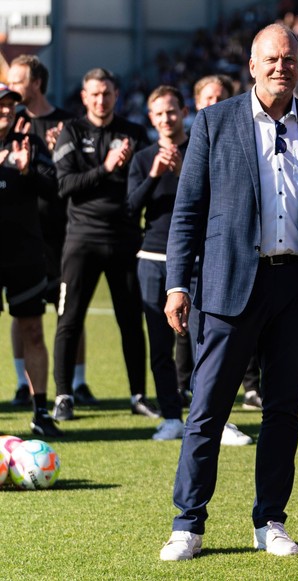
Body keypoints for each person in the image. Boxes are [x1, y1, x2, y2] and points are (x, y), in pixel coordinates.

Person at [158, 23, 298, 561]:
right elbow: (187, 211)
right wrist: (175, 285)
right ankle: (188, 523)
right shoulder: (214, 122)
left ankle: (271, 521)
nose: (281, 67)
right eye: (271, 59)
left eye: (290, 59)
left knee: (283, 412)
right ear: (253, 65)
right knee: (208, 410)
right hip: (230, 283)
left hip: (296, 288)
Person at [51, 67, 156, 422]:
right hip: (82, 240)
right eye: (94, 93)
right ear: (84, 97)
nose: (100, 99)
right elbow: (65, 186)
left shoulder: (135, 133)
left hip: (126, 239)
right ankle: (64, 395)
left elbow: (146, 182)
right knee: (70, 320)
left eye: (106, 93)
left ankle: (138, 395)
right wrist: (107, 168)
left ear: (116, 95)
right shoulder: (72, 131)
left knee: (131, 321)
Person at [173, 73, 257, 446]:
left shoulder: (248, 136)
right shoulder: (196, 139)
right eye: (208, 97)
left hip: (240, 262)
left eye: (221, 96)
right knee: (200, 348)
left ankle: (235, 404)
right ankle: (197, 415)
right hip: (202, 265)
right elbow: (186, 210)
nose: (215, 103)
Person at [6, 55, 89, 409]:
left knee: (66, 310)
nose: (10, 91)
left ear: (36, 82)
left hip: (55, 234)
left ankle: (76, 383)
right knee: (23, 315)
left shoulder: (63, 124)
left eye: (16, 83)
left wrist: (53, 155)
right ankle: (22, 383)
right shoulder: (15, 123)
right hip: (19, 238)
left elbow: (70, 179)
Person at [126, 85, 189, 441]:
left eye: (171, 111)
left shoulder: (199, 149)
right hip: (152, 258)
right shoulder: (142, 157)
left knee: (204, 344)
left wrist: (183, 172)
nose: (166, 118)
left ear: (183, 111)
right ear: (151, 119)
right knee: (160, 347)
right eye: (159, 114)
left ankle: (212, 420)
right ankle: (171, 418)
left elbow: (213, 200)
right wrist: (153, 174)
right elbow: (131, 208)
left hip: (194, 259)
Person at [0, 83, 62, 438]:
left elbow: (54, 190)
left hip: (24, 255)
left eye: (10, 107)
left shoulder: (30, 144)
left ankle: (41, 411)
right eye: (0, 107)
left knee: (33, 332)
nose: (6, 112)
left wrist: (27, 170)